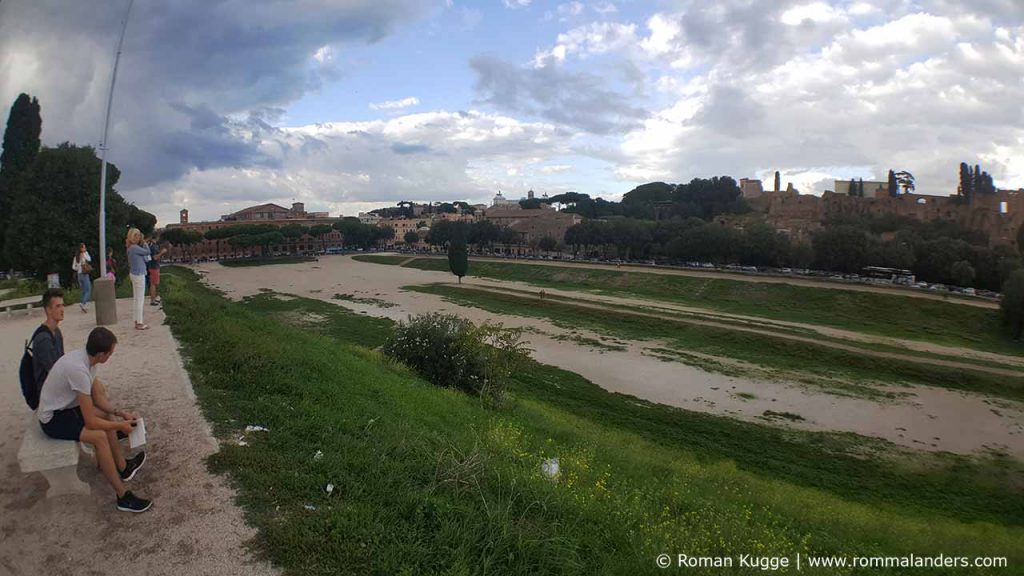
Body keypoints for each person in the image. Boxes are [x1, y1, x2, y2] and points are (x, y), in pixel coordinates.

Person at [37, 327, 151, 513]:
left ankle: (122, 467)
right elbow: (91, 423)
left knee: (107, 416)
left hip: (66, 408)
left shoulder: (87, 359)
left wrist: (120, 414)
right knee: (99, 437)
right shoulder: (79, 370)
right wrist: (120, 426)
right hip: (53, 418)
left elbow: (97, 400)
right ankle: (122, 497)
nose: (111, 356)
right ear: (101, 354)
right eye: (110, 353)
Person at [32, 289, 66, 388]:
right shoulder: (43, 339)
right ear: (48, 310)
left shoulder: (56, 331)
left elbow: (61, 362)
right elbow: (53, 371)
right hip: (47, 389)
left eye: (63, 305)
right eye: (58, 306)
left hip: (56, 382)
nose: (62, 309)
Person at [125, 228, 150, 330]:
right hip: (139, 275)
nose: (139, 237)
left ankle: (137, 320)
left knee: (136, 299)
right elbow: (147, 252)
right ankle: (139, 322)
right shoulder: (134, 248)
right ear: (134, 236)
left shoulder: (130, 248)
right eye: (138, 235)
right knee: (140, 299)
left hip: (134, 274)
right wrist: (144, 243)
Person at [71, 243, 92, 313]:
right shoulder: (84, 254)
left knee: (83, 290)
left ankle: (83, 304)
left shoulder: (76, 257)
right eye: (84, 247)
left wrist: (78, 267)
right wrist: (83, 257)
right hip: (84, 274)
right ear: (81, 249)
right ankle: (83, 303)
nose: (85, 249)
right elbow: (89, 259)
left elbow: (73, 267)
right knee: (88, 289)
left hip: (79, 274)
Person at [147, 237, 167, 306]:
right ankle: (152, 301)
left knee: (155, 284)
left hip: (155, 267)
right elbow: (155, 257)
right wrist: (162, 252)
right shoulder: (152, 247)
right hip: (153, 267)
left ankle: (154, 299)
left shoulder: (155, 246)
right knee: (153, 284)